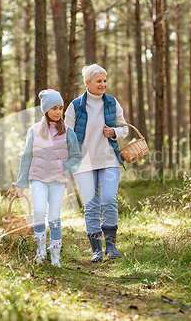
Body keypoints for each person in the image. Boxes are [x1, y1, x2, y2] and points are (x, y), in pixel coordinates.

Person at [65, 64, 129, 262]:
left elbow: (124, 129)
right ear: (87, 83)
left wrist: (114, 133)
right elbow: (66, 135)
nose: (103, 84)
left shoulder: (112, 103)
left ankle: (111, 247)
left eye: (105, 80)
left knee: (109, 200)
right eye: (99, 81)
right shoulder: (75, 106)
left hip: (109, 159)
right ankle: (96, 251)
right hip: (83, 164)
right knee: (91, 205)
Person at [16, 89, 82, 267]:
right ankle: (40, 252)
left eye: (61, 108)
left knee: (54, 217)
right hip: (38, 179)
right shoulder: (34, 131)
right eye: (54, 108)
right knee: (38, 212)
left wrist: (66, 168)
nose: (58, 112)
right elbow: (26, 156)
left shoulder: (68, 132)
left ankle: (55, 257)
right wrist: (21, 183)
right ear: (45, 110)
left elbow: (76, 156)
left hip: (58, 181)